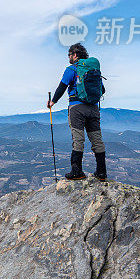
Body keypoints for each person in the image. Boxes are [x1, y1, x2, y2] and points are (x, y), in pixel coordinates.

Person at [47, 43, 107, 180]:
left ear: (75, 55)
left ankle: (77, 171)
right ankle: (102, 172)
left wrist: (52, 102)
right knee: (97, 140)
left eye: (69, 55)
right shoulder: (93, 70)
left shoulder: (72, 69)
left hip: (77, 109)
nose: (68, 57)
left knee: (78, 140)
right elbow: (102, 90)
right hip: (93, 109)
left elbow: (62, 87)